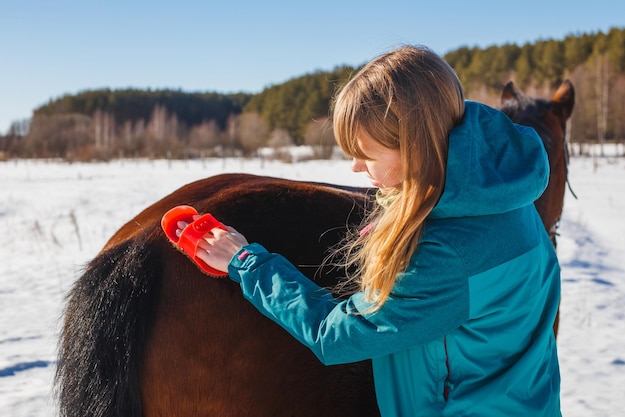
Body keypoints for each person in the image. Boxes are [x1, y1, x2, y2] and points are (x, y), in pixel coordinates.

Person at [178, 45, 561, 416]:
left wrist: (246, 263)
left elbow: (335, 336)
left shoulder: (444, 255)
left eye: (367, 153)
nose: (356, 168)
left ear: (415, 147)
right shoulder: (501, 191)